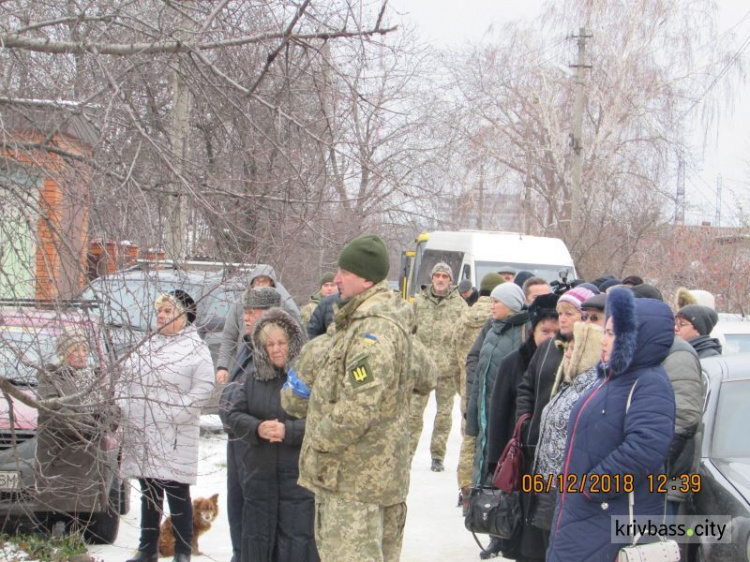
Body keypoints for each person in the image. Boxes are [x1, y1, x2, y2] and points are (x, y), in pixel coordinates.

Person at [296, 234, 412, 562]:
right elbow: (421, 374)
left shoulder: (370, 333)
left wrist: (317, 440)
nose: (335, 279)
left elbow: (358, 408)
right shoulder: (393, 320)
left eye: (343, 272)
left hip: (354, 484)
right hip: (377, 479)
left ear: (365, 280)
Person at [546, 288, 676, 561]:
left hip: (610, 519)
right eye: (604, 331)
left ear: (636, 338)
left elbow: (645, 448)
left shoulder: (649, 383)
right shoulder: (610, 378)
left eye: (612, 333)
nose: (603, 341)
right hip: (582, 515)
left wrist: (592, 487)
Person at [121, 290, 215, 562]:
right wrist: (126, 407)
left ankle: (183, 551)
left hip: (175, 433)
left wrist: (175, 413)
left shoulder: (195, 347)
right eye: (159, 311)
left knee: (177, 496)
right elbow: (125, 380)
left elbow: (203, 387)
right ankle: (147, 548)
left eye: (168, 311)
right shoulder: (146, 344)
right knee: (149, 495)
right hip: (145, 432)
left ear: (183, 317)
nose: (162, 316)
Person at [226, 307, 317, 562]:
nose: (276, 349)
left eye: (282, 343)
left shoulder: (309, 378)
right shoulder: (251, 376)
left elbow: (322, 422)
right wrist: (257, 428)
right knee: (258, 544)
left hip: (298, 480)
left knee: (297, 541)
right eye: (270, 344)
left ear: (294, 343)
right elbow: (231, 414)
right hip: (259, 478)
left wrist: (288, 431)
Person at [481, 293, 558, 559]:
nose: (550, 337)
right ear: (532, 330)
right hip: (517, 462)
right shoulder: (513, 363)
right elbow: (498, 416)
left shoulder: (565, 365)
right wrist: (494, 464)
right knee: (519, 533)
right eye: (544, 330)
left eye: (556, 331)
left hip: (546, 468)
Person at [218, 287, 282, 562]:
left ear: (268, 315)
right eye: (244, 311)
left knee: (254, 517)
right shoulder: (247, 347)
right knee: (237, 509)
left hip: (256, 447)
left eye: (252, 312)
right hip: (238, 442)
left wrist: (251, 425)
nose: (245, 317)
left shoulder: (272, 353)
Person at [36, 328, 119, 532]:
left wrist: (105, 421)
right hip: (61, 458)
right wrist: (91, 425)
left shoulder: (96, 377)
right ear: (64, 353)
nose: (82, 354)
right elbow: (55, 411)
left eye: (84, 349)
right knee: (54, 514)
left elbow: (113, 409)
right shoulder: (51, 378)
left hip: (90, 460)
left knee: (81, 516)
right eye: (75, 349)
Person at [530, 321, 602, 547]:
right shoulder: (570, 384)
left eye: (573, 348)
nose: (567, 354)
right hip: (549, 485)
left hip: (567, 489)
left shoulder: (592, 390)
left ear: (588, 352)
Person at [466, 282, 529, 487]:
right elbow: (478, 368)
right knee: (482, 456)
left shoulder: (525, 331)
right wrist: (472, 405)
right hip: (485, 410)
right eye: (491, 301)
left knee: (501, 461)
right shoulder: (492, 329)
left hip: (506, 414)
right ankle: (480, 502)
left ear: (511, 305)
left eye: (497, 302)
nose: (491, 306)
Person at [452, 272, 504, 507]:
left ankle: (465, 489)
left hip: (467, 383)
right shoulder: (498, 318)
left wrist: (460, 384)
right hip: (489, 385)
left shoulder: (464, 316)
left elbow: (455, 355)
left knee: (469, 438)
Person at [409, 262, 467, 472]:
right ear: (432, 278)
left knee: (443, 415)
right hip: (421, 370)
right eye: (437, 276)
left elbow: (464, 336)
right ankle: (407, 454)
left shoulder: (459, 305)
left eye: (445, 276)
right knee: (413, 414)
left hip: (447, 371)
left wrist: (460, 365)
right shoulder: (419, 302)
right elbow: (408, 331)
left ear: (451, 281)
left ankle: (438, 456)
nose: (441, 279)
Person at [216, 265, 300, 384]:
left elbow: (295, 336)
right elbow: (229, 336)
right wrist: (222, 367)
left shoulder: (283, 304)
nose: (260, 285)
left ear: (272, 284)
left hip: (274, 369)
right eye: (257, 281)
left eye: (264, 281)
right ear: (252, 283)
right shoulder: (240, 304)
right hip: (245, 363)